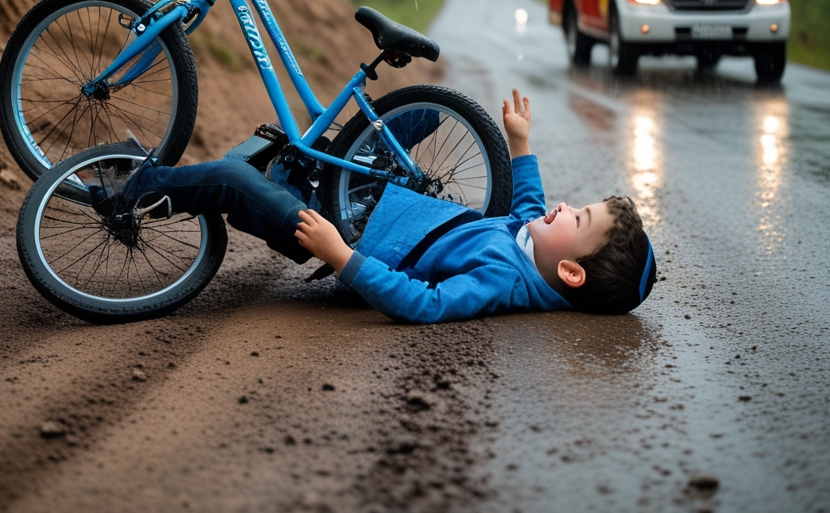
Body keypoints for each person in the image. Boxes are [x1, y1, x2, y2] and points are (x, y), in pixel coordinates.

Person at [111, 90, 656, 323]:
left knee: (233, 179)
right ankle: (286, 168)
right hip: (372, 205)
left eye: (579, 218)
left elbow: (425, 305)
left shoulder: (501, 281)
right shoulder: (529, 244)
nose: (565, 207)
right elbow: (530, 202)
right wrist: (520, 143)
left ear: (569, 270)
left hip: (341, 233)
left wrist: (341, 255)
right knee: (420, 116)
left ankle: (130, 190)